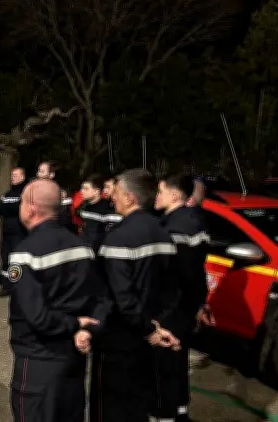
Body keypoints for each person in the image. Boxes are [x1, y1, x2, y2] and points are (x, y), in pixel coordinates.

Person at [6, 179, 111, 422]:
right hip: (74, 359)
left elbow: (36, 316)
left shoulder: (25, 254)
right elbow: (102, 299)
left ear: (31, 208)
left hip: (38, 359)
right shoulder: (82, 247)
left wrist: (75, 325)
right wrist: (90, 330)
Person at [90, 168, 182, 422]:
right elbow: (172, 290)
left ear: (130, 198)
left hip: (119, 341)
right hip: (149, 339)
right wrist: (159, 326)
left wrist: (147, 329)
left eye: (116, 193)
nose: (112, 198)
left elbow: (122, 299)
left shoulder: (118, 239)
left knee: (110, 410)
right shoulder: (164, 234)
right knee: (139, 407)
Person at [154, 173, 210, 422]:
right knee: (178, 363)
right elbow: (198, 273)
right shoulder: (195, 222)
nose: (157, 196)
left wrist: (163, 314)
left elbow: (177, 275)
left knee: (165, 366)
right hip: (186, 307)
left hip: (171, 308)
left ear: (175, 195)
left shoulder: (173, 228)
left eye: (160, 191)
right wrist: (199, 303)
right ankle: (180, 410)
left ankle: (167, 414)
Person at [0, 167, 27, 297]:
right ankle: (6, 287)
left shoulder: (24, 193)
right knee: (5, 259)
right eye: (12, 174)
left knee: (16, 261)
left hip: (19, 233)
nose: (12, 177)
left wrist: (6, 208)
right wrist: (6, 208)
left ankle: (17, 287)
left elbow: (16, 210)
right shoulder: (7, 194)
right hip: (6, 232)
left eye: (15, 175)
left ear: (22, 177)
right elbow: (0, 209)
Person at [77, 173, 112, 250]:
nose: (81, 191)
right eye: (81, 188)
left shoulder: (107, 208)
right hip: (84, 248)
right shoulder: (83, 206)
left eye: (86, 189)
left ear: (96, 191)